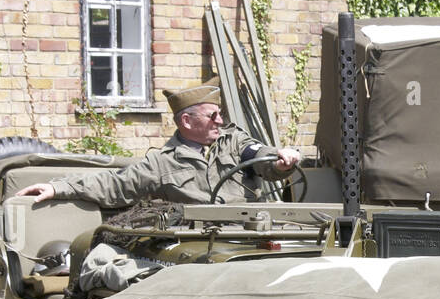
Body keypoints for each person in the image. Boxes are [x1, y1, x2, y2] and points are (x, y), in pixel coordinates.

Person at [16, 79, 302, 206]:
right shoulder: (163, 162)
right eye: (213, 115)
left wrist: (281, 159)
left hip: (253, 231)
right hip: (205, 243)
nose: (219, 121)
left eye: (220, 114)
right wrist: (58, 187)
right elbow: (117, 185)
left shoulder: (233, 141)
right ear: (187, 122)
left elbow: (260, 156)